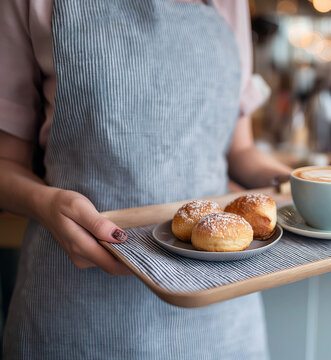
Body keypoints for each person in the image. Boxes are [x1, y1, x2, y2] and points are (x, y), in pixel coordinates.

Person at [0, 0, 291, 358]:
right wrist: (45, 204)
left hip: (218, 311)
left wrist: (297, 184)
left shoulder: (229, 3)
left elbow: (240, 151)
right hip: (78, 302)